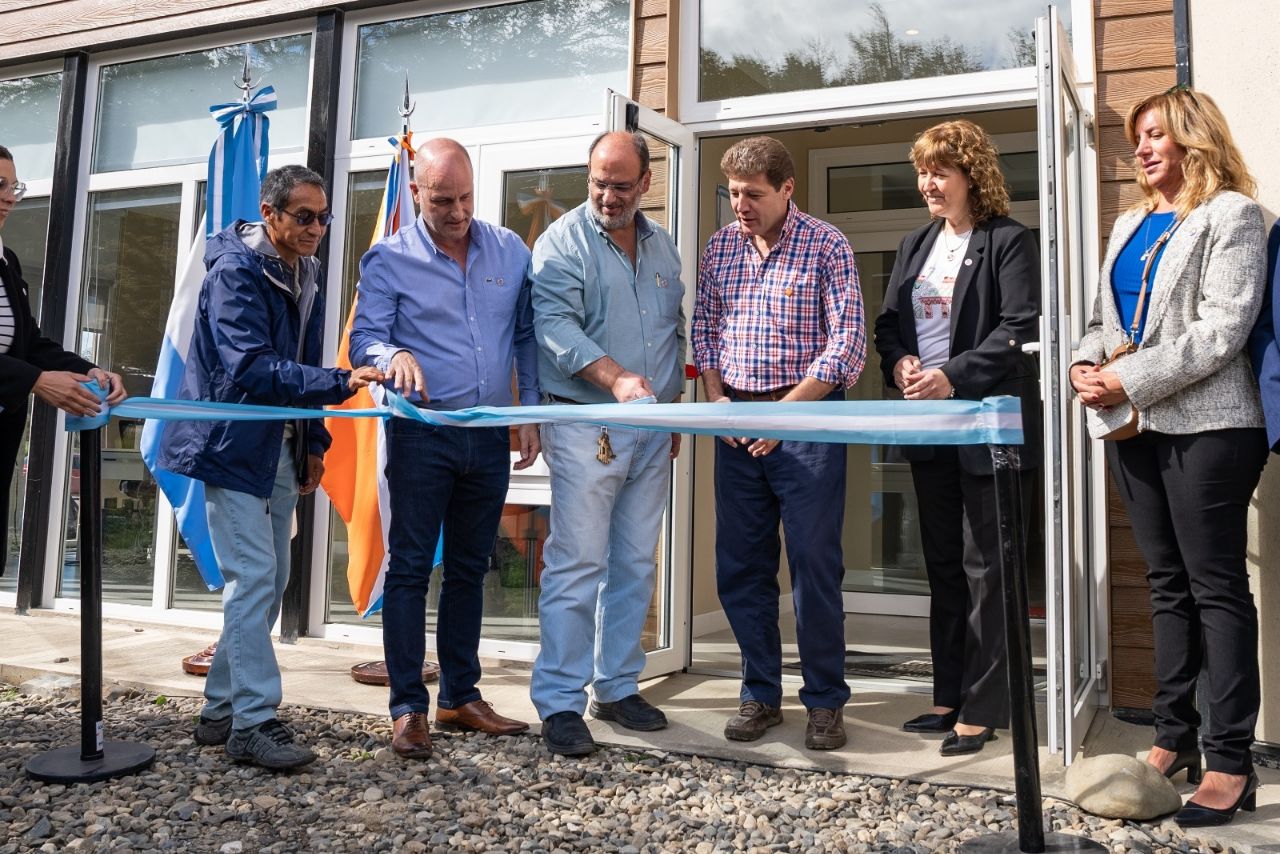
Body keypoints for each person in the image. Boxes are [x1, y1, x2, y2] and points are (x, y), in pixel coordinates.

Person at [1071, 87, 1266, 827]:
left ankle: (1230, 761)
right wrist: (1084, 364)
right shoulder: (1129, 222)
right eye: (1138, 137)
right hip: (1135, 426)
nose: (1143, 148)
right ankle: (1173, 735)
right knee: (1165, 585)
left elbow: (1222, 330)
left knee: (1215, 588)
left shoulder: (1233, 216)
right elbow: (1104, 320)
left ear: (1194, 137)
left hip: (1211, 427)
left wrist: (1127, 377)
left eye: (1156, 134)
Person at [159, 165, 383, 770]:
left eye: (324, 217)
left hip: (280, 446)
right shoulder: (234, 271)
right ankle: (253, 723)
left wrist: (314, 443)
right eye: (304, 216)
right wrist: (340, 382)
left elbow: (302, 356)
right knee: (254, 577)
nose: (316, 228)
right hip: (231, 446)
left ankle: (219, 710)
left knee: (271, 576)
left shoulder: (305, 269)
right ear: (270, 214)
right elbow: (249, 366)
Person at [351, 138, 540, 760]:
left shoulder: (509, 250)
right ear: (415, 193)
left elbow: (525, 335)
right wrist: (393, 353)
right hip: (420, 435)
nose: (457, 212)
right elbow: (365, 340)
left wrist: (529, 412)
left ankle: (460, 696)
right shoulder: (388, 259)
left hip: (485, 435)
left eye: (465, 198)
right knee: (409, 568)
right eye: (442, 201)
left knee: (469, 568)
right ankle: (408, 707)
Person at [692, 135, 865, 751]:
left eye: (753, 195)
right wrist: (718, 401)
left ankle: (824, 702)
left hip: (807, 422)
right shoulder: (720, 248)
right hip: (736, 421)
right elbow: (705, 330)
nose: (741, 205)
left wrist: (783, 417)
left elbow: (847, 345)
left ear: (787, 189)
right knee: (741, 567)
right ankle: (760, 694)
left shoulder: (826, 245)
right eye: (734, 193)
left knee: (814, 565)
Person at [873, 120, 1040, 757]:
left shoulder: (1008, 240)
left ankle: (984, 707)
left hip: (986, 425)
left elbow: (1018, 327)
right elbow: (889, 324)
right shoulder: (916, 243)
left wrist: (952, 376)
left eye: (939, 172)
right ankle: (948, 695)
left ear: (972, 175)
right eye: (922, 172)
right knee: (943, 564)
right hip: (930, 426)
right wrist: (901, 364)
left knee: (987, 569)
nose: (927, 184)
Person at [529, 130, 686, 756]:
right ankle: (560, 703)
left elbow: (673, 333)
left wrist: (672, 413)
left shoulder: (663, 245)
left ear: (647, 182)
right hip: (585, 425)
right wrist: (617, 377)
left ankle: (617, 687)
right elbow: (553, 327)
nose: (608, 196)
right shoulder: (561, 242)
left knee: (636, 563)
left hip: (652, 431)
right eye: (598, 183)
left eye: (621, 185)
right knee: (577, 564)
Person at [0, 144, 126, 572]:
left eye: (14, 186)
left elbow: (30, 343)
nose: (9, 197)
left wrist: (89, 369)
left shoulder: (6, 261)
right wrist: (35, 381)